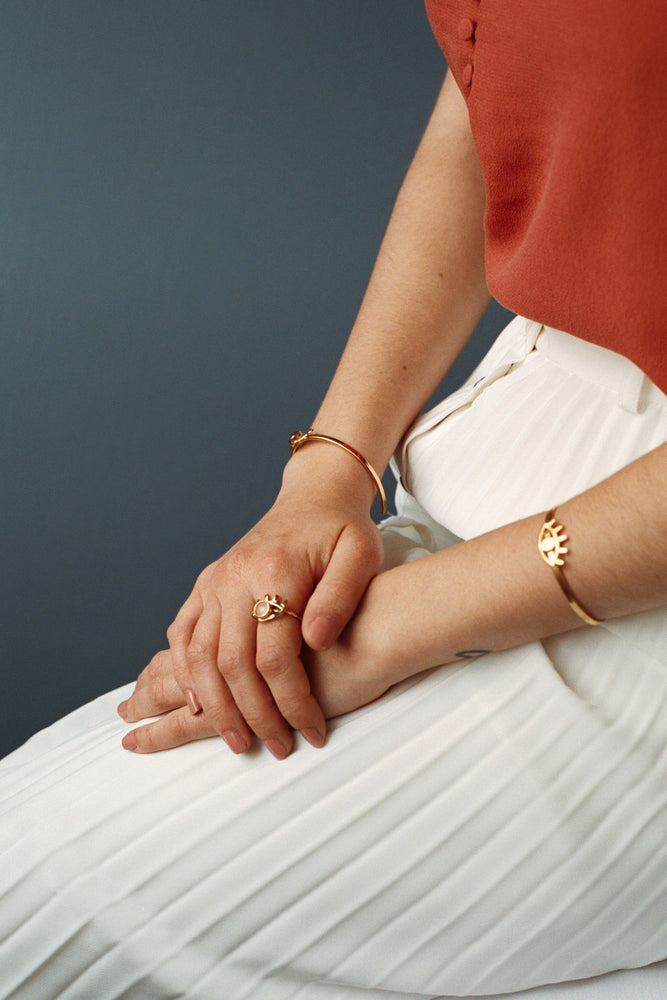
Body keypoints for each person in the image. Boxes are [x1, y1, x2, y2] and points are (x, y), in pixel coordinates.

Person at [1, 2, 666, 998]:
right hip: (498, 475)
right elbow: (493, 94)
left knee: (40, 896)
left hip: (631, 578)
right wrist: (322, 478)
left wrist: (401, 624)